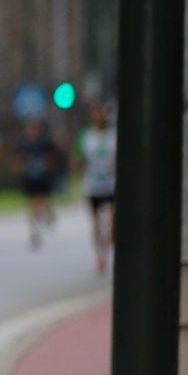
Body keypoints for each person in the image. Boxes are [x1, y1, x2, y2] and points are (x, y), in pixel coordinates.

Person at [78, 100, 119, 276]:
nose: (98, 117)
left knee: (111, 220)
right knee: (95, 222)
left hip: (110, 184)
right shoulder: (86, 136)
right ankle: (99, 256)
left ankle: (109, 243)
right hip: (92, 184)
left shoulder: (113, 135)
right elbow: (78, 158)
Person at [10, 118, 64, 250]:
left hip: (43, 177)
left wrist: (48, 165)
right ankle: (34, 230)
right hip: (29, 178)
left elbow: (53, 157)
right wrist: (19, 166)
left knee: (43, 200)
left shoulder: (44, 143)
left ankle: (48, 215)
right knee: (32, 204)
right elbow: (16, 159)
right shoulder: (22, 143)